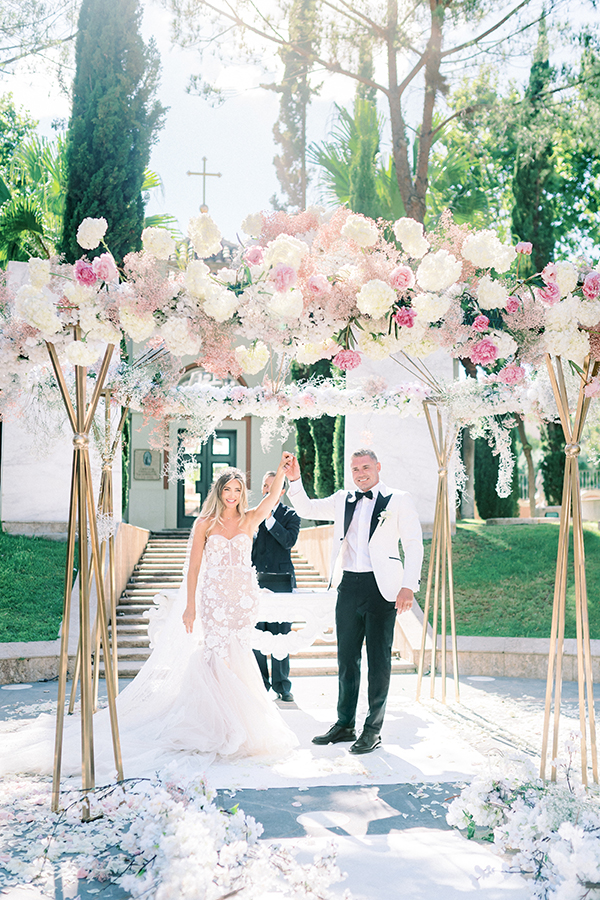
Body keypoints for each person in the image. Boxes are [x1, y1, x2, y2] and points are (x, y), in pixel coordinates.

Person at [0, 453, 298, 780]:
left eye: (238, 490)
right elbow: (195, 568)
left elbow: (272, 498)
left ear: (242, 494)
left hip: (241, 600)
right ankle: (214, 724)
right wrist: (190, 606)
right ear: (218, 491)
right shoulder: (204, 524)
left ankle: (239, 724)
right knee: (215, 655)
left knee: (238, 655)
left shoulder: (249, 520)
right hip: (213, 600)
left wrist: (283, 471)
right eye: (228, 489)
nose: (232, 495)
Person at [286, 449, 423, 755]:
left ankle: (372, 731)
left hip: (382, 589)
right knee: (347, 660)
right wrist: (294, 479)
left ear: (378, 467)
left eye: (365, 468)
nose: (360, 474)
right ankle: (345, 724)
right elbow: (307, 507)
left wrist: (408, 587)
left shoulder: (399, 499)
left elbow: (414, 545)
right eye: (355, 469)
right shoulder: (343, 499)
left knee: (378, 663)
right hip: (348, 586)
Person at [252, 471, 301, 703]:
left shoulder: (291, 515)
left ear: (281, 490)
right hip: (256, 582)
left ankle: (283, 686)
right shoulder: (252, 515)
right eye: (264, 485)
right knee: (257, 635)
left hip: (281, 583)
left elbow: (289, 541)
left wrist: (270, 519)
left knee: (281, 635)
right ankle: (261, 684)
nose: (266, 490)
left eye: (272, 486)